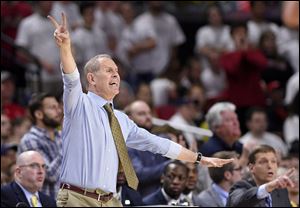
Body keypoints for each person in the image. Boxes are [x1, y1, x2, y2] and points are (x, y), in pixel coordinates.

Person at [47, 13, 234, 207]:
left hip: (110, 200)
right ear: (92, 79)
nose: (116, 75)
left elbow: (159, 144)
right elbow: (71, 77)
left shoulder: (121, 119)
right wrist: (66, 47)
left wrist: (198, 158)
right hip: (78, 198)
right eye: (109, 71)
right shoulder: (79, 104)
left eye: (117, 72)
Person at [18, 92, 63, 199]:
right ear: (38, 114)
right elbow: (49, 175)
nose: (59, 111)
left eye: (58, 107)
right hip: (44, 202)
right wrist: (68, 146)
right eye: (52, 108)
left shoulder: (60, 136)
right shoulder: (30, 140)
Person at [226, 145, 295, 207]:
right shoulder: (240, 186)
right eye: (263, 162)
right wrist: (268, 187)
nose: (270, 166)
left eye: (273, 161)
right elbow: (238, 203)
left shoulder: (281, 191)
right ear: (251, 168)